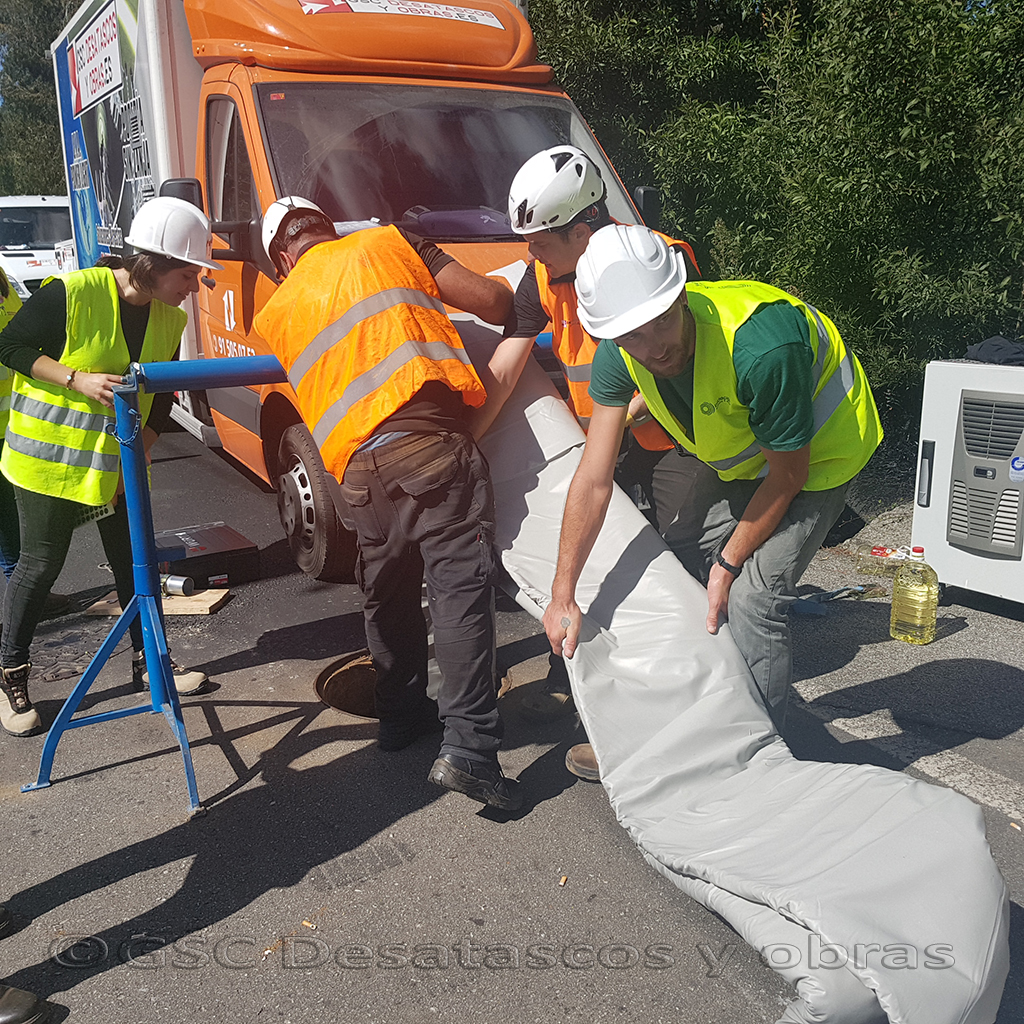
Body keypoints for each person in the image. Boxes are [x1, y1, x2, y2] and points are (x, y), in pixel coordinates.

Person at [542, 224, 882, 745]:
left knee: (753, 599)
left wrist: (728, 565)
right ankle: (707, 694)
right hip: (750, 457)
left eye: (661, 321)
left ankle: (753, 757)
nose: (652, 348)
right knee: (678, 549)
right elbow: (593, 478)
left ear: (681, 293)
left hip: (820, 457)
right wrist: (562, 593)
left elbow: (789, 475)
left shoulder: (760, 345)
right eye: (631, 335)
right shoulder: (620, 355)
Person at [254, 197, 523, 810]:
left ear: (281, 260)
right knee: (457, 595)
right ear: (326, 225)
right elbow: (492, 302)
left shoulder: (279, 311)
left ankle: (400, 717)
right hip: (427, 446)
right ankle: (471, 751)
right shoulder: (387, 243)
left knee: (388, 588)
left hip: (354, 479)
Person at [497, 146, 703, 781]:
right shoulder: (541, 279)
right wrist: (468, 432)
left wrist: (630, 414)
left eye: (539, 242)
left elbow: (678, 348)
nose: (530, 255)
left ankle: (677, 703)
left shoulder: (663, 257)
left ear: (580, 233)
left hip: (668, 436)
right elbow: (510, 355)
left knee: (679, 558)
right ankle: (575, 683)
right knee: (583, 557)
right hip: (598, 435)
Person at [0, 197, 215, 738]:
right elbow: (11, 344)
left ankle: (151, 665)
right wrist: (74, 378)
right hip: (46, 462)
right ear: (155, 263)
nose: (194, 285)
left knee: (133, 563)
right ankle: (11, 674)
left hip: (119, 461)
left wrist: (145, 441)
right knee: (40, 564)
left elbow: (161, 393)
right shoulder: (71, 293)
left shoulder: (171, 317)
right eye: (189, 273)